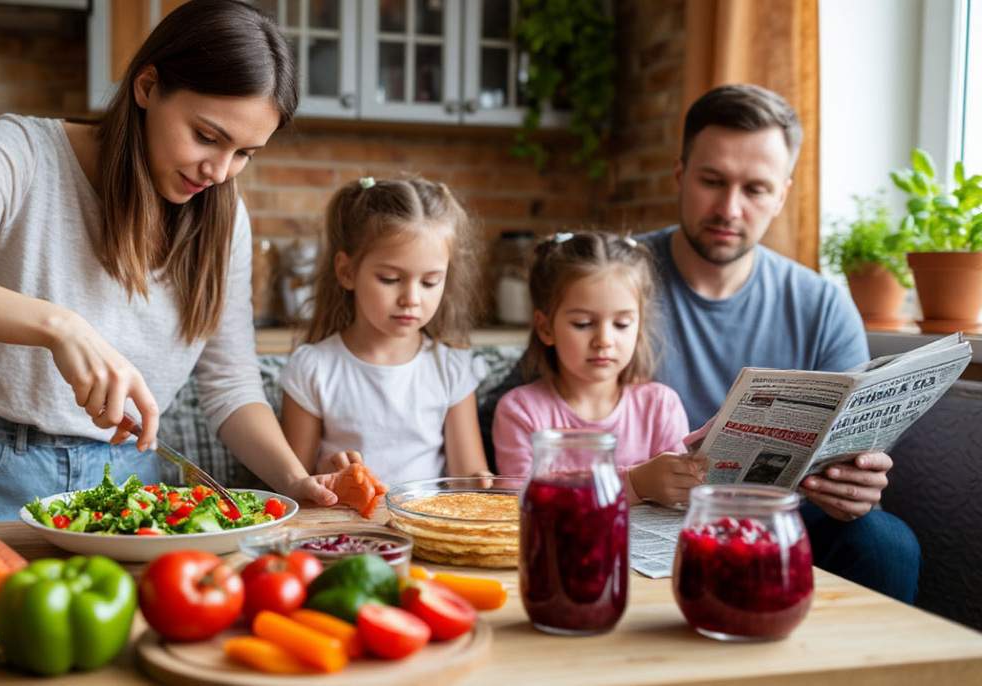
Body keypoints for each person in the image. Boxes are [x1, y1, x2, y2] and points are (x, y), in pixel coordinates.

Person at [0, 0, 338, 521]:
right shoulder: (21, 150)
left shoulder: (224, 218)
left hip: (134, 484)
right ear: (147, 87)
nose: (220, 172)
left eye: (245, 153)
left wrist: (295, 479)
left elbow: (231, 385)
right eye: (207, 136)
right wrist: (60, 327)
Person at [482, 83, 921, 603]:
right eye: (712, 180)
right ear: (679, 175)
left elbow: (856, 447)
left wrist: (856, 483)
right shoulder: (612, 277)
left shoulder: (821, 304)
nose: (729, 208)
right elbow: (517, 413)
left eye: (755, 189)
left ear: (782, 194)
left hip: (783, 517)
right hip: (651, 520)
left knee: (887, 543)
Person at [279, 176, 491, 486]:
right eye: (390, 279)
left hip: (426, 528)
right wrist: (326, 472)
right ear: (347, 272)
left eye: (430, 282)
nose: (412, 299)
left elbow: (468, 480)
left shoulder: (452, 368)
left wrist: (485, 483)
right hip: (346, 530)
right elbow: (293, 487)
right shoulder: (312, 369)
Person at [491, 231, 696, 505]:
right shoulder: (520, 411)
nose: (604, 341)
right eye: (583, 324)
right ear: (545, 328)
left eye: (622, 324)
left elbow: (680, 498)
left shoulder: (661, 405)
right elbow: (525, 501)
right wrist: (635, 483)